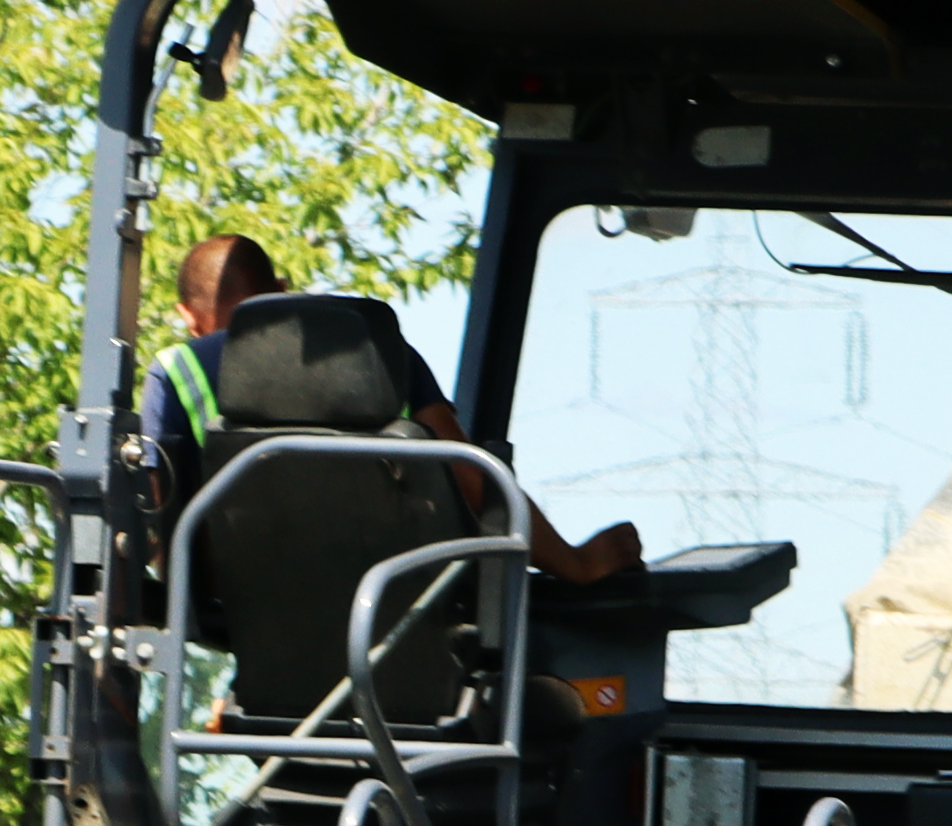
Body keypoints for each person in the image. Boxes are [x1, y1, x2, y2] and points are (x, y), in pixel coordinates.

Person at [146, 231, 641, 586]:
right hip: (390, 599)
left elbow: (157, 517)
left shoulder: (176, 372)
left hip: (245, 606)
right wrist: (576, 565)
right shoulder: (378, 351)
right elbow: (474, 480)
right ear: (279, 290)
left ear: (188, 316)